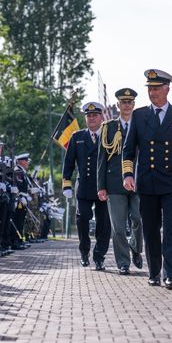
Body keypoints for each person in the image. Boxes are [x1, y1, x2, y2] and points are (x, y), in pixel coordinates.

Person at [122, 69, 172, 290]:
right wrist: (127, 174)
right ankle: (154, 272)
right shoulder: (139, 115)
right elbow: (128, 150)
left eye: (156, 88)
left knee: (171, 227)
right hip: (147, 180)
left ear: (167, 89)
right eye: (150, 88)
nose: (152, 92)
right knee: (151, 229)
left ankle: (171, 274)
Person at [97, 88, 143, 275]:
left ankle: (135, 248)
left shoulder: (141, 124)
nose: (126, 105)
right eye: (123, 102)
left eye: (129, 102)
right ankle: (123, 262)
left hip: (138, 182)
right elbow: (102, 158)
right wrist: (101, 187)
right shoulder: (108, 127)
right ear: (118, 105)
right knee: (118, 227)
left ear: (133, 105)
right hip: (114, 183)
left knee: (139, 219)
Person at [62, 101, 111, 270]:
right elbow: (68, 163)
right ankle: (84, 252)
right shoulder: (77, 137)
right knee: (82, 218)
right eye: (89, 116)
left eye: (95, 115)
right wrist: (66, 184)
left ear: (101, 116)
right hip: (83, 186)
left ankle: (99, 256)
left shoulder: (108, 135)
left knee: (103, 223)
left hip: (103, 186)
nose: (92, 118)